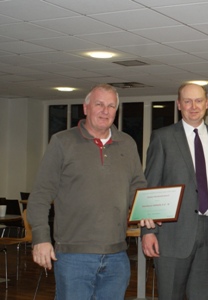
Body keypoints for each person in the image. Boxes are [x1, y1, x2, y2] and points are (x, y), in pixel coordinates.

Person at [27, 83, 152, 300]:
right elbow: (40, 194)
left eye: (111, 106)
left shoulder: (127, 143)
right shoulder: (62, 142)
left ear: (116, 110)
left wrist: (148, 209)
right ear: (86, 108)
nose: (105, 111)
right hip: (73, 255)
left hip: (117, 255)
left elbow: (136, 186)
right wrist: (40, 238)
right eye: (99, 104)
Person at [141, 83, 208, 300]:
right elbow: (151, 187)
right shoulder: (162, 138)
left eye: (198, 100)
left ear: (207, 104)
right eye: (188, 101)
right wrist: (148, 232)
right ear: (178, 104)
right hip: (172, 235)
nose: (193, 106)